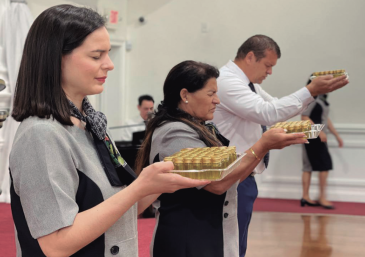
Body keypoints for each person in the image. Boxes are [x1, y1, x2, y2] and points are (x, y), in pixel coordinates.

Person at [9, 5, 210, 257]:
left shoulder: (92, 123)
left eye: (108, 53)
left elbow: (121, 210)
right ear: (55, 58)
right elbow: (56, 244)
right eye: (97, 56)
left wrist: (160, 180)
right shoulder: (41, 135)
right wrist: (139, 187)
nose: (110, 64)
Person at [135, 60, 308, 257]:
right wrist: (262, 145)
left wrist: (260, 149)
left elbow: (230, 176)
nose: (217, 100)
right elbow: (215, 184)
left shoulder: (198, 126)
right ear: (185, 95)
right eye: (211, 94)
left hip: (206, 234)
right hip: (187, 239)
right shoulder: (174, 132)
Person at [211, 35, 349, 257]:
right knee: (229, 245)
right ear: (249, 57)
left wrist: (309, 96)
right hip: (231, 173)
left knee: (237, 243)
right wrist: (310, 90)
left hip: (244, 171)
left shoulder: (247, 83)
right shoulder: (227, 81)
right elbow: (267, 113)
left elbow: (274, 106)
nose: (270, 72)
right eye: (268, 65)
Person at [301, 76, 343, 209]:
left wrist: (336, 135)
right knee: (322, 165)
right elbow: (304, 116)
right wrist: (319, 131)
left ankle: (306, 197)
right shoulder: (312, 98)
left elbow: (325, 119)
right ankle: (319, 197)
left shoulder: (322, 99)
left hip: (319, 136)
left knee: (312, 166)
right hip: (314, 135)